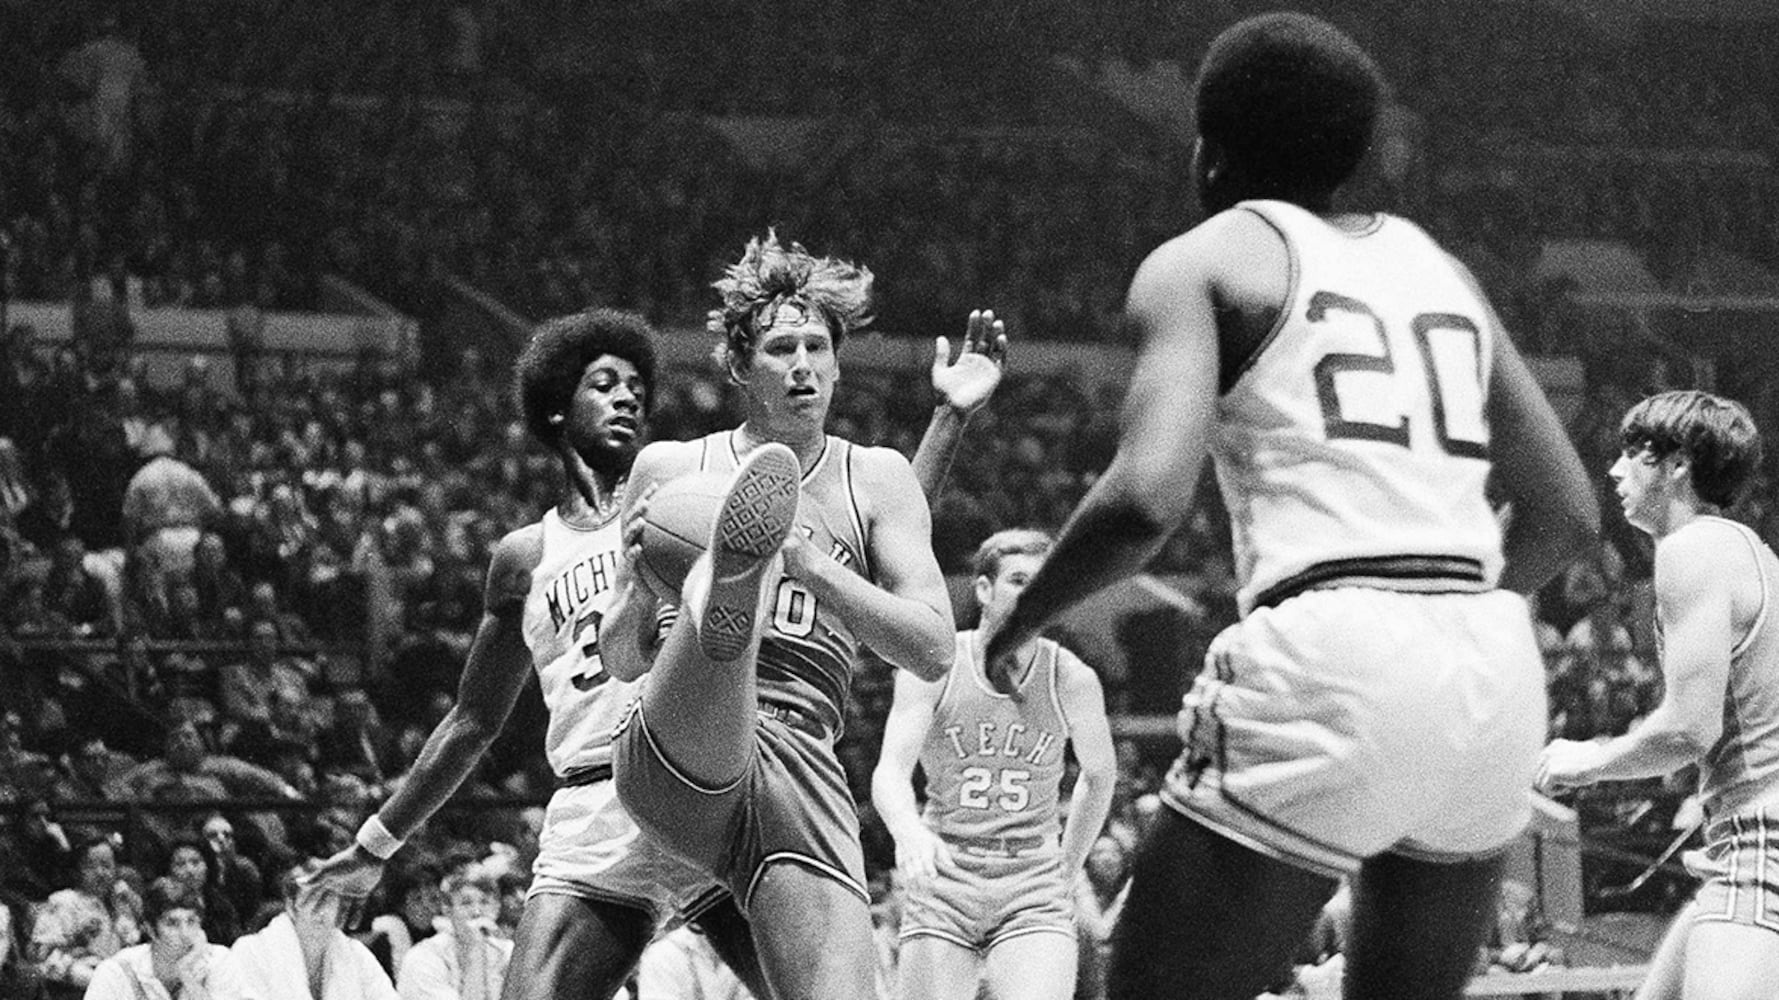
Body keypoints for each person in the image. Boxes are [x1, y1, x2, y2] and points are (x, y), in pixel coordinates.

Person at [977, 14, 1598, 1000]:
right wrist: (1443, 627)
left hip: (1332, 643)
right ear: (1357, 152)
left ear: (1207, 150)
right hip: (1491, 664)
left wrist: (1020, 617)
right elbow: (1567, 511)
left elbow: (1145, 500)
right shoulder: (1438, 267)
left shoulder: (1203, 259)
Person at [302, 303, 1003, 1000]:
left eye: (637, 386)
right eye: (604, 384)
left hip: (735, 764)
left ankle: (719, 604)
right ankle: (718, 602)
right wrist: (375, 844)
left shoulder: (694, 488)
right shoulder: (538, 552)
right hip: (603, 791)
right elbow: (473, 721)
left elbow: (851, 526)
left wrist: (946, 421)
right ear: (556, 409)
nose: (627, 397)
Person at [608, 233, 964, 1000]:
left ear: (837, 364)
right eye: (779, 348)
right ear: (739, 366)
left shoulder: (878, 478)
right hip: (680, 749)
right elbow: (618, 658)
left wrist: (806, 562)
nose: (801, 364)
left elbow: (934, 647)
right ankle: (722, 595)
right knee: (714, 633)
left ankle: (730, 583)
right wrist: (639, 588)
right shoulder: (669, 468)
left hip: (799, 764)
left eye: (815, 347)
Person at [1538, 390, 1778, 1000]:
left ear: (1677, 465)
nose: (1614, 470)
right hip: (1743, 839)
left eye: (1632, 454)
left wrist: (1587, 760)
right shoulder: (1748, 552)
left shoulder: (1692, 549)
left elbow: (1687, 729)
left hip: (1760, 845)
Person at [871, 528, 1117, 1000]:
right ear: (984, 589)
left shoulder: (1071, 678)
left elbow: (1100, 775)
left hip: (1030, 880)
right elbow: (890, 773)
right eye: (1019, 580)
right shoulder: (937, 665)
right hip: (946, 875)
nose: (1032, 594)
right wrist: (908, 831)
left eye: (1042, 584)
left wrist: (1068, 865)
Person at [221, 859, 397, 1000]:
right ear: (291, 905)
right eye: (312, 898)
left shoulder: (356, 955)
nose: (321, 909)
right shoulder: (251, 951)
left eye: (329, 898)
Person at [82, 877, 243, 1000]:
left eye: (191, 921)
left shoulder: (219, 960)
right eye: (172, 924)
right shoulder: (117, 970)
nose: (185, 934)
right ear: (151, 930)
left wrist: (186, 974)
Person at [395, 865, 512, 1000]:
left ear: (497, 908)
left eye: (485, 902)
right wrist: (476, 950)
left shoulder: (508, 953)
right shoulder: (422, 957)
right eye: (466, 903)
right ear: (447, 910)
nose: (477, 912)